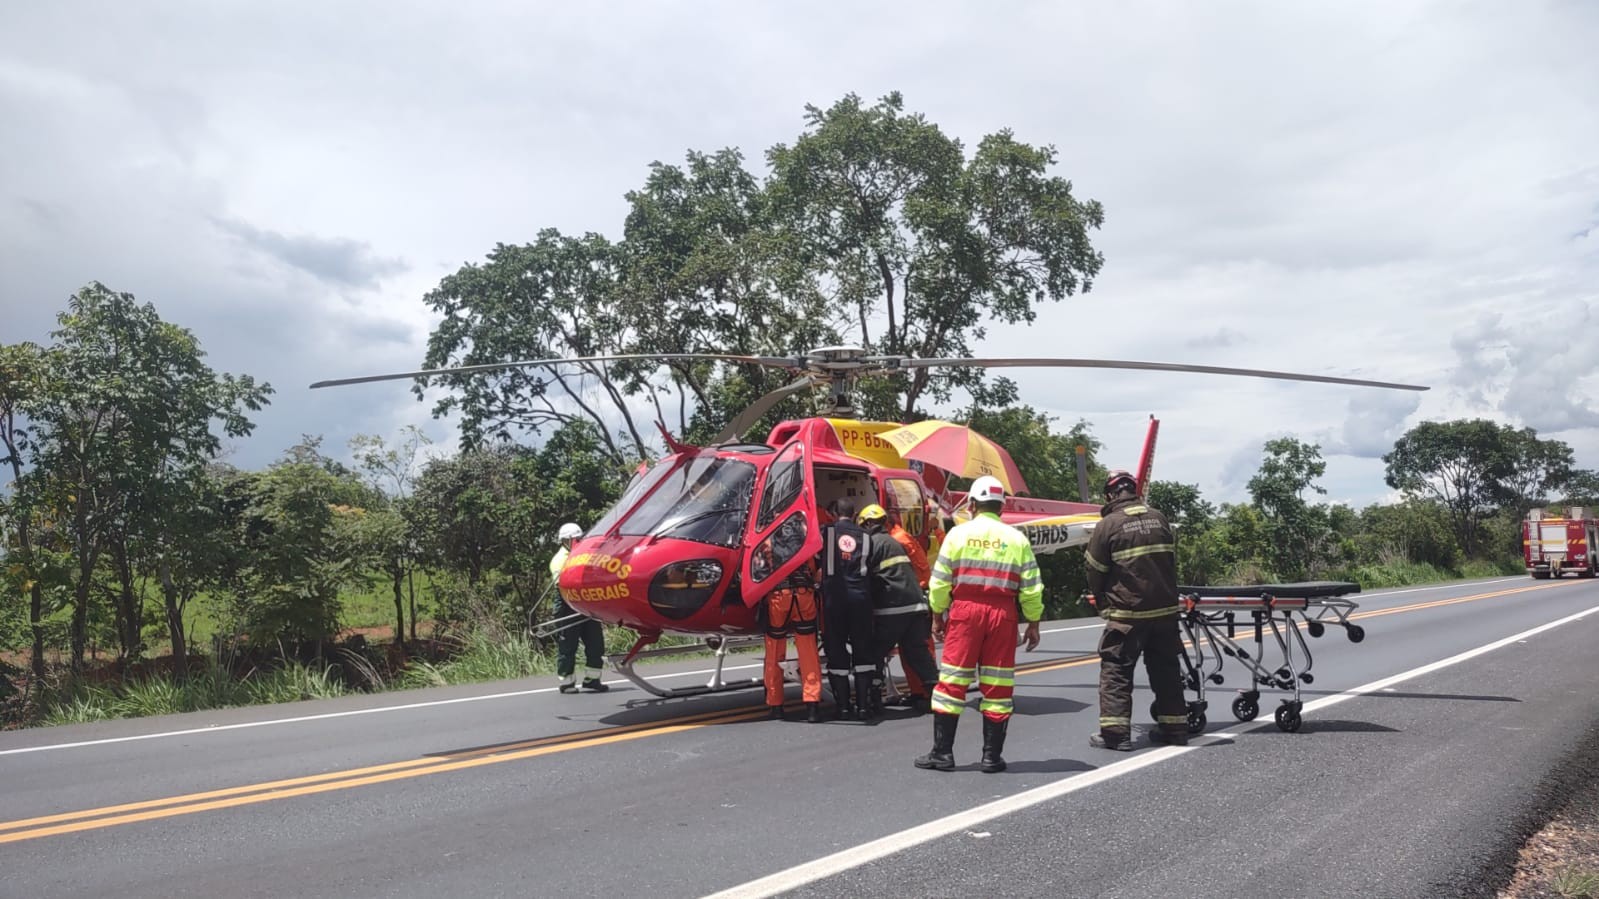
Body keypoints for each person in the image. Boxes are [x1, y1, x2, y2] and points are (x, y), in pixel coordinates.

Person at [915, 476, 1043, 773]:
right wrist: (1033, 622)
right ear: (1002, 506)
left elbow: (939, 583)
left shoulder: (957, 536)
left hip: (965, 613)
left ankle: (942, 754)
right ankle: (991, 757)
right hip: (1003, 615)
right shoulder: (1017, 539)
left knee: (951, 684)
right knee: (998, 686)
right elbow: (1032, 587)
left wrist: (937, 615)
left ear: (971, 504)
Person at [1083, 470, 1186, 750]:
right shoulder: (1160, 518)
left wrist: (1103, 601)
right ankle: (1175, 729)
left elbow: (1095, 569)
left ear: (1111, 495)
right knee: (1166, 671)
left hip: (1127, 615)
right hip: (1164, 612)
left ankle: (1116, 735)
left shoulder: (1108, 525)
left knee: (1116, 670)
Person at [857, 504, 938, 719]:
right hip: (916, 605)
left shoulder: (872, 544)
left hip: (893, 609)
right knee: (917, 652)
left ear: (867, 524)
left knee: (875, 652)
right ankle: (936, 696)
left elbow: (865, 577)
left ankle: (874, 698)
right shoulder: (896, 541)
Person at [818, 499, 876, 720]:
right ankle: (863, 707)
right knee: (863, 649)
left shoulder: (826, 533)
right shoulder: (866, 536)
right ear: (854, 514)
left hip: (835, 599)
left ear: (833, 514)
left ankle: (843, 707)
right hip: (861, 597)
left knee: (836, 648)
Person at [761, 560, 824, 723]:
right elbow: (813, 569)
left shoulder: (767, 541)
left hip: (778, 597)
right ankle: (812, 706)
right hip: (804, 596)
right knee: (808, 652)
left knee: (774, 651)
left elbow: (758, 570)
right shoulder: (803, 538)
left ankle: (776, 706)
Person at [550, 522, 608, 694]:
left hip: (585, 603)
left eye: (579, 538)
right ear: (565, 541)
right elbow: (561, 584)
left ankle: (592, 679)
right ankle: (567, 682)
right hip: (567, 604)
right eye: (574, 539)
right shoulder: (559, 560)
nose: (577, 541)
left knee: (596, 643)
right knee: (568, 645)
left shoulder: (583, 555)